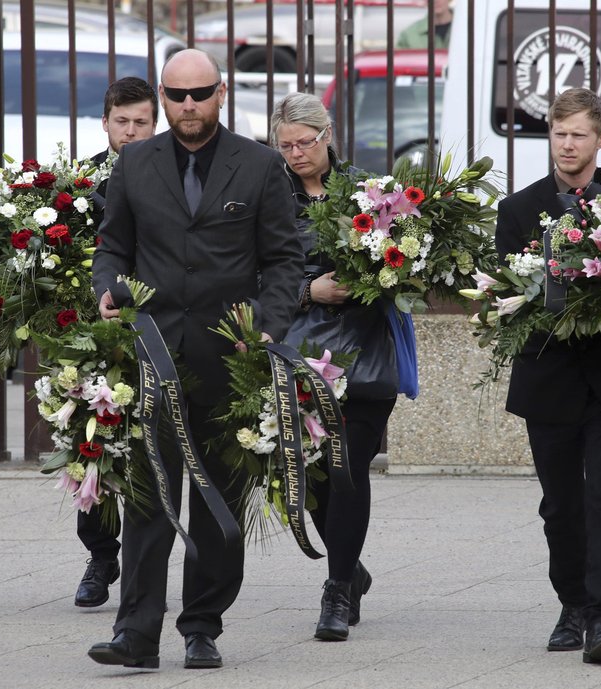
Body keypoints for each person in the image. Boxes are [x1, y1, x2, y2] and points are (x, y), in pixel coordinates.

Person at [87, 49, 303, 670]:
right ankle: (136, 633)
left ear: (222, 92)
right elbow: (113, 246)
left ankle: (202, 623)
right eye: (177, 96)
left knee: (217, 501)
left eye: (200, 94)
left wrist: (263, 330)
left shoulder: (260, 165)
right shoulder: (135, 162)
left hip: (228, 358)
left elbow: (285, 261)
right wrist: (106, 289)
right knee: (149, 499)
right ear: (162, 96)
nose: (188, 106)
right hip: (153, 355)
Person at [494, 87, 601, 665]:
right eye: (559, 133)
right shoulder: (518, 211)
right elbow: (508, 295)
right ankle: (573, 604)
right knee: (560, 503)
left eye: (579, 133)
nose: (567, 143)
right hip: (548, 376)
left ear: (600, 139)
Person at [271, 92, 413, 641]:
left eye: (304, 142)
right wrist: (310, 289)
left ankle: (335, 592)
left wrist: (380, 275)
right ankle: (351, 569)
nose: (296, 154)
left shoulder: (371, 194)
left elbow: (409, 260)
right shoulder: (270, 197)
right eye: (285, 146)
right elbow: (256, 276)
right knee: (311, 477)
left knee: (348, 468)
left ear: (326, 134)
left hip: (366, 355)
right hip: (299, 355)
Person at [73, 76, 158, 610]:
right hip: (95, 335)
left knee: (152, 451)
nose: (130, 132)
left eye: (141, 122)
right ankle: (102, 555)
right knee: (89, 440)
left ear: (156, 124)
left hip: (160, 330)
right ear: (105, 122)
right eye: (121, 122)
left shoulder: (174, 175)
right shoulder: (76, 189)